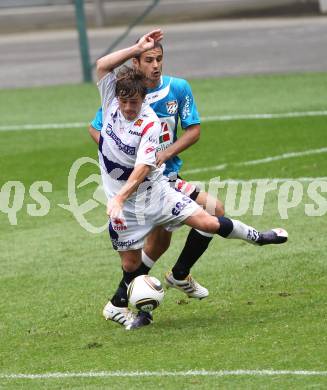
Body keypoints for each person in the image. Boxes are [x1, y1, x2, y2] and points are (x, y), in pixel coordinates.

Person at [95, 29, 288, 330]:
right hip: (129, 203)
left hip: (158, 187)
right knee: (135, 262)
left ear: (143, 99)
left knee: (212, 215)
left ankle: (254, 238)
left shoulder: (151, 119)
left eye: (159, 59)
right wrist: (111, 155)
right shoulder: (114, 99)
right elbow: (102, 68)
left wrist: (119, 194)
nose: (155, 65)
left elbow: (148, 163)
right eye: (148, 59)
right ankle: (122, 302)